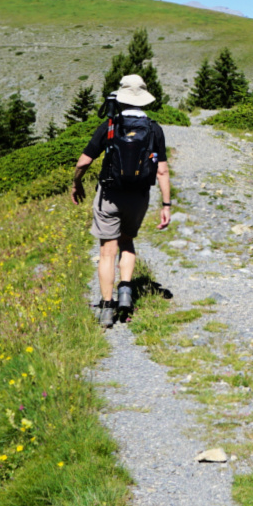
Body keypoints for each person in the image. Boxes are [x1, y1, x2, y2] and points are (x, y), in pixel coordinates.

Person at [71, 75, 171, 328]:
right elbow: (162, 171)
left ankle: (106, 308)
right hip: (138, 196)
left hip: (110, 195)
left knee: (107, 252)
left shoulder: (110, 125)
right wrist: (166, 205)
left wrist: (77, 182)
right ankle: (125, 291)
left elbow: (84, 161)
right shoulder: (154, 128)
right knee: (127, 241)